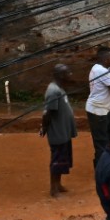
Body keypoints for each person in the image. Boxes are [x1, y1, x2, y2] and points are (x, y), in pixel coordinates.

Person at [40, 63, 76, 199]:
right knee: (56, 160)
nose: (70, 75)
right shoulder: (53, 91)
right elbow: (47, 113)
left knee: (62, 159)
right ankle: (53, 189)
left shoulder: (59, 89)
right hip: (58, 133)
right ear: (60, 75)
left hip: (63, 132)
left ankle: (59, 184)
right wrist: (44, 128)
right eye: (68, 72)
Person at [86, 45, 110, 163]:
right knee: (102, 141)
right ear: (106, 60)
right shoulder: (102, 70)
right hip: (98, 111)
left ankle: (101, 165)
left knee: (102, 140)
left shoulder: (96, 68)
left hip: (98, 109)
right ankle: (102, 168)